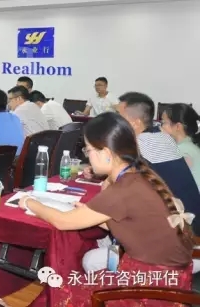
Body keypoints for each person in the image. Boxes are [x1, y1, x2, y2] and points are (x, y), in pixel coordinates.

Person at [0, 113, 195, 307]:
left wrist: (30, 202)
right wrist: (93, 213)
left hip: (149, 287)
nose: (87, 155)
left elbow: (62, 222)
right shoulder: (138, 175)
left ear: (106, 153)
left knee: (65, 290)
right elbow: (131, 224)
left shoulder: (124, 189)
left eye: (88, 150)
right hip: (163, 276)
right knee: (70, 284)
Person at [82, 92, 200, 272]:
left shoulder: (139, 144)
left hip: (174, 249)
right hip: (189, 234)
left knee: (90, 258)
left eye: (118, 116)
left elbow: (111, 191)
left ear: (135, 123)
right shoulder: (163, 138)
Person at [161, 103, 200, 188]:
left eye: (164, 122)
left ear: (178, 126)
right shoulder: (189, 147)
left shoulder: (182, 151)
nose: (161, 127)